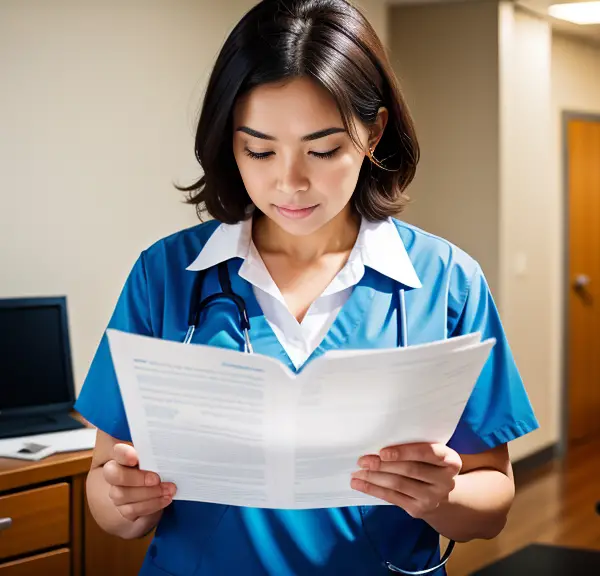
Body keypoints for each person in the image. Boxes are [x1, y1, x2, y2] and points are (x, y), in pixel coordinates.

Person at [75, 0, 539, 574]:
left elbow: (492, 498)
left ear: (373, 132)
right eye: (259, 150)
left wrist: (443, 496)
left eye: (323, 150)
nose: (290, 182)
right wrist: (125, 502)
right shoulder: (164, 276)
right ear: (228, 142)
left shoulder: (447, 282)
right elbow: (105, 490)